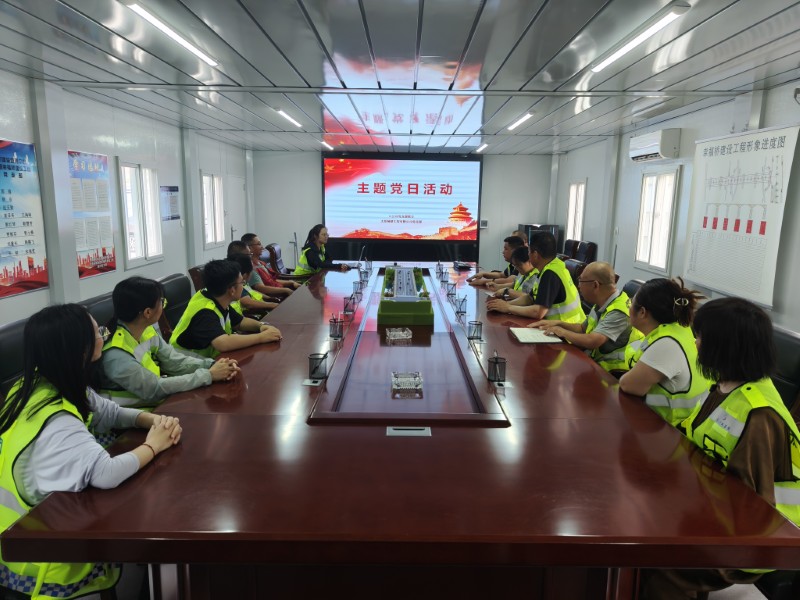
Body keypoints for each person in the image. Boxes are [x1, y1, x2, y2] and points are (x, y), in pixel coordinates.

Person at [0, 304, 182, 598]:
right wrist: (154, 444)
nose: (104, 335)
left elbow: (106, 411)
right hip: (43, 552)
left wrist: (151, 420)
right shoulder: (56, 421)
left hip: (38, 520)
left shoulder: (40, 383)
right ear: (80, 348)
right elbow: (106, 473)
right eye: (99, 332)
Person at [640, 297, 800, 599]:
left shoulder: (759, 414)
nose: (696, 343)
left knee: (662, 563)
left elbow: (751, 506)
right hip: (718, 509)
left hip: (766, 533)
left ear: (724, 346)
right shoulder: (724, 386)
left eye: (701, 337)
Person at [98, 276, 240, 409]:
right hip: (130, 419)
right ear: (148, 313)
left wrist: (211, 365)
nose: (163, 305)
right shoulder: (116, 354)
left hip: (156, 407)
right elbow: (154, 389)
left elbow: (173, 361)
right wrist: (208, 375)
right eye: (161, 302)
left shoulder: (146, 331)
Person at [619, 278, 710, 426]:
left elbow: (628, 385)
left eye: (630, 303)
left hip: (672, 429)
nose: (629, 307)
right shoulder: (679, 328)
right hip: (669, 422)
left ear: (642, 312)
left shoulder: (667, 344)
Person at [530, 261, 638, 373]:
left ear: (595, 285)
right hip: (594, 363)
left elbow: (592, 341)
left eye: (581, 281)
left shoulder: (618, 311)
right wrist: (558, 323)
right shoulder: (603, 301)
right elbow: (582, 328)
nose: (578, 286)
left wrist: (562, 332)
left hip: (613, 373)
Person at [171, 259, 282, 358]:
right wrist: (261, 337)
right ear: (232, 290)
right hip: (186, 365)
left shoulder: (217, 298)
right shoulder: (205, 312)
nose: (244, 285)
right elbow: (223, 343)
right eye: (242, 282)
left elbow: (240, 322)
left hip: (208, 360)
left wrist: (261, 326)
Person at [486, 232, 585, 323]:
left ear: (536, 254)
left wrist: (508, 308)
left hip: (567, 327)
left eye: (529, 251)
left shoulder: (550, 273)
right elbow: (530, 298)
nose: (528, 255)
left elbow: (538, 312)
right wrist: (507, 305)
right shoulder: (551, 266)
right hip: (556, 326)